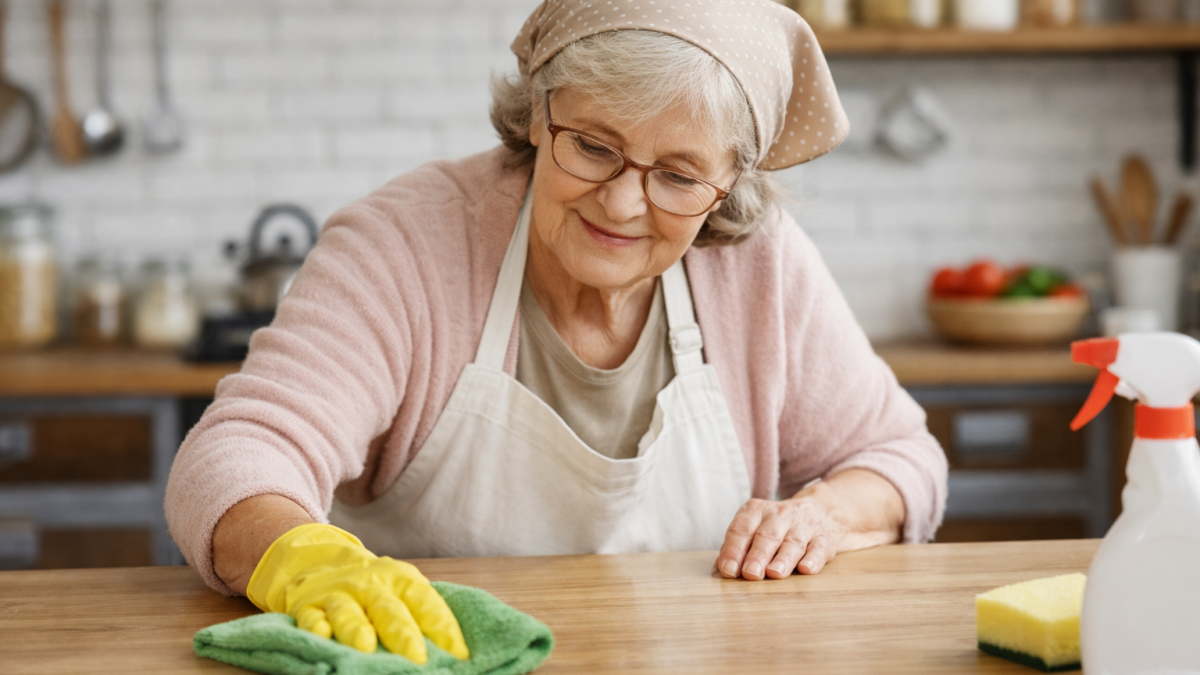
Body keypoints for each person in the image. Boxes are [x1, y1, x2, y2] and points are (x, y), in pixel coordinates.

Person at [166, 0, 948, 662]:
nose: (622, 205)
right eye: (594, 147)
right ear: (540, 116)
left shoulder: (759, 266)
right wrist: (308, 560)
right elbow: (233, 458)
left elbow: (901, 459)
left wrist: (821, 515)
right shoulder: (406, 244)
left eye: (678, 176)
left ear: (729, 186)